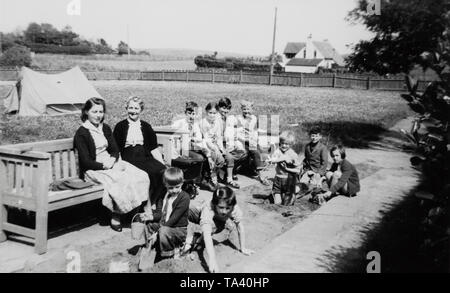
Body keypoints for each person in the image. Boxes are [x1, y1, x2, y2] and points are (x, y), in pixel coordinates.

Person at [73, 97, 150, 232]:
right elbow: (85, 161)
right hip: (93, 169)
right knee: (121, 179)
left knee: (141, 175)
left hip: (110, 163)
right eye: (94, 112)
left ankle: (135, 212)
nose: (98, 115)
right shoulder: (82, 133)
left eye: (101, 112)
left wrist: (113, 160)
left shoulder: (105, 128)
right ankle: (117, 216)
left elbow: (114, 149)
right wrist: (105, 166)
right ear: (86, 112)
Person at [113, 96, 167, 216]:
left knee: (163, 171)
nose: (133, 111)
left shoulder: (146, 126)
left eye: (136, 108)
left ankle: (153, 201)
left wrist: (163, 164)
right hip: (129, 157)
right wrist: (119, 164)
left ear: (141, 110)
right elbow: (116, 150)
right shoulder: (120, 126)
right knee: (146, 175)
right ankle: (145, 205)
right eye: (130, 107)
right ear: (126, 109)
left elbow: (153, 148)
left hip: (145, 156)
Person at [184, 186, 254, 273]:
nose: (224, 211)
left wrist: (243, 248)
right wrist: (212, 260)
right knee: (185, 207)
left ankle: (197, 239)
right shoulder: (208, 207)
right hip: (201, 214)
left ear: (232, 206)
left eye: (228, 208)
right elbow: (207, 232)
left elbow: (240, 227)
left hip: (218, 223)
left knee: (212, 227)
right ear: (214, 204)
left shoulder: (234, 208)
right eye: (221, 207)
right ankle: (186, 236)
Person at [140, 167, 190, 260]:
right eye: (170, 188)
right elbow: (160, 213)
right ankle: (152, 245)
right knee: (149, 224)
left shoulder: (184, 198)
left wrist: (158, 233)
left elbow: (173, 219)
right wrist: (151, 217)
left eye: (177, 187)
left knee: (163, 231)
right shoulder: (163, 196)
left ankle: (169, 252)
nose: (174, 190)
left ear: (182, 184)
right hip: (164, 225)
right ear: (165, 185)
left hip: (178, 229)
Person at [171, 101, 215, 191]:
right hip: (179, 149)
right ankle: (192, 181)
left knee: (205, 154)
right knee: (199, 157)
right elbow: (174, 139)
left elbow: (198, 138)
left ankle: (205, 179)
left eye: (194, 114)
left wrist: (194, 141)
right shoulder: (179, 123)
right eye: (189, 113)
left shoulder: (194, 124)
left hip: (190, 147)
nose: (191, 116)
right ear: (185, 113)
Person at [225, 100, 269, 185]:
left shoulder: (254, 118)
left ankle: (259, 173)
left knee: (257, 151)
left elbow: (254, 131)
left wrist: (254, 140)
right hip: (240, 141)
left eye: (248, 109)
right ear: (241, 110)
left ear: (252, 109)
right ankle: (234, 171)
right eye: (244, 109)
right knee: (244, 152)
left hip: (250, 141)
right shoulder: (238, 119)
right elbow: (236, 133)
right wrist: (244, 140)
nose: (246, 111)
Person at [267, 131, 301, 205]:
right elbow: (273, 159)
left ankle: (296, 189)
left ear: (291, 144)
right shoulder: (278, 151)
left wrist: (287, 169)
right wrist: (280, 159)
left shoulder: (293, 154)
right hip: (278, 179)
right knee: (277, 203)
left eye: (287, 144)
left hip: (289, 180)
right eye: (282, 143)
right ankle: (279, 193)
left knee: (287, 204)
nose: (284, 146)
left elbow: (298, 170)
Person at [199, 102, 226, 186]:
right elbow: (206, 138)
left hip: (214, 143)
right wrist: (215, 148)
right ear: (206, 112)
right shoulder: (203, 122)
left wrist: (221, 148)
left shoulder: (217, 122)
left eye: (214, 113)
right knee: (213, 156)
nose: (212, 115)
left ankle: (219, 173)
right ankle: (212, 178)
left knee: (223, 155)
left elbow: (219, 137)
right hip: (205, 144)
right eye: (210, 113)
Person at [299, 126, 328, 191]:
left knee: (312, 185)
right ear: (310, 136)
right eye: (312, 136)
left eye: (316, 136)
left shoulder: (323, 148)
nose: (314, 138)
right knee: (302, 183)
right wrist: (302, 167)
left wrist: (319, 173)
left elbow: (324, 162)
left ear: (320, 137)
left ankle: (322, 179)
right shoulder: (307, 147)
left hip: (317, 171)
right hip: (308, 170)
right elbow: (306, 159)